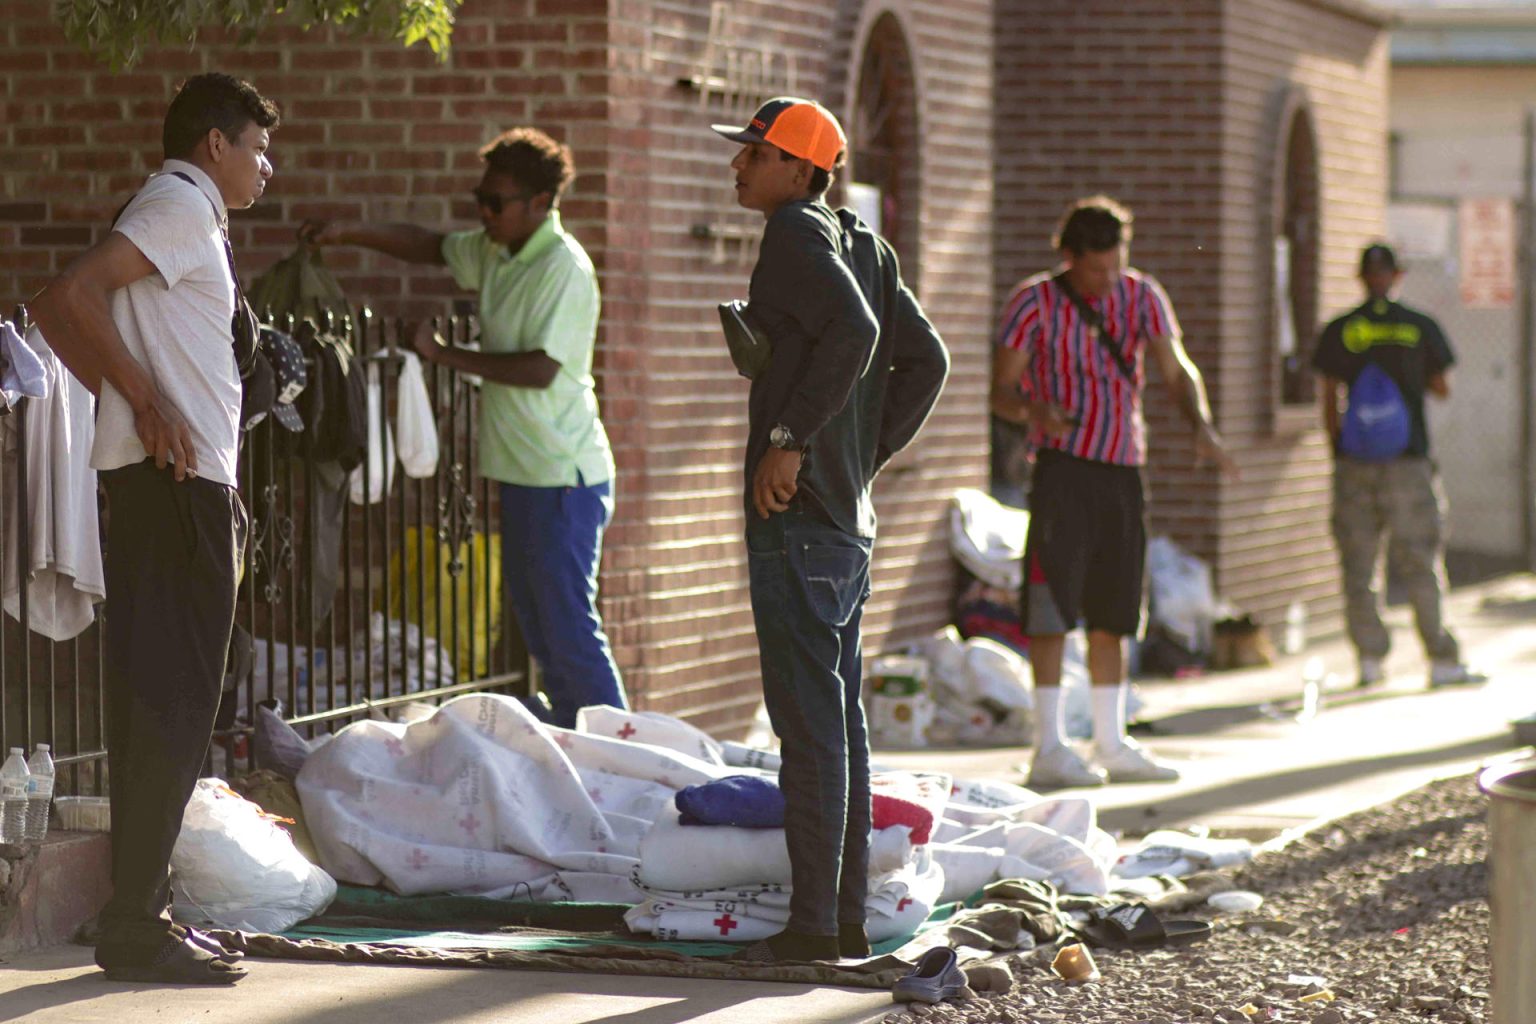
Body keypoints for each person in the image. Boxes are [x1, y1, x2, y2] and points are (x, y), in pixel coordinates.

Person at [29, 72, 278, 984]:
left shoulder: (185, 215)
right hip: (178, 498)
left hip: (168, 492)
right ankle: (136, 921)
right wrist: (145, 405)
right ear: (214, 143)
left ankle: (140, 910)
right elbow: (66, 297)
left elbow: (68, 308)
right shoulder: (178, 203)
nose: (266, 166)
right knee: (173, 708)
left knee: (159, 705)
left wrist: (143, 411)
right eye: (255, 146)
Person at [712, 97, 950, 962]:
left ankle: (812, 927)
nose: (739, 165)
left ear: (803, 170)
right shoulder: (870, 246)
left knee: (810, 729)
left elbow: (853, 330)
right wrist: (862, 459)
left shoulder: (796, 235)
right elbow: (926, 360)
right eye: (742, 150)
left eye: (757, 153)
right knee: (839, 725)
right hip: (844, 522)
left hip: (800, 519)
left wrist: (792, 443)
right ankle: (842, 919)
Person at [301, 127, 626, 729]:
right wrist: (348, 232)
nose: (483, 212)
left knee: (568, 627)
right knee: (537, 624)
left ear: (539, 204)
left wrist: (442, 353)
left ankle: (621, 748)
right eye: (481, 198)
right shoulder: (497, 250)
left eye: (496, 203)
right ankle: (583, 744)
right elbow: (429, 247)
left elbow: (539, 368)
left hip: (563, 473)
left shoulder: (563, 267)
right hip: (521, 471)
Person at [990, 196, 1237, 790]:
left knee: (1116, 609)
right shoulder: (1034, 302)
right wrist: (1033, 411)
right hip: (1061, 469)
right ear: (1069, 258)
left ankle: (1111, 741)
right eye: (1095, 270)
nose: (1106, 281)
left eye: (1115, 266)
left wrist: (1200, 426)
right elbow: (999, 389)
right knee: (1051, 608)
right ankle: (1048, 746)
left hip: (1123, 469)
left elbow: (1177, 370)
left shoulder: (1142, 295)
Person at [1313, 243, 1482, 689]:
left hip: (1354, 466)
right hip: (1408, 462)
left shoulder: (1341, 329)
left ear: (1361, 277)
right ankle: (1441, 660)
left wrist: (1339, 451)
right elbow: (1442, 387)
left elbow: (1328, 401)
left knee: (1359, 565)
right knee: (1421, 561)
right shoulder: (1419, 326)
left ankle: (1370, 660)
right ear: (1397, 275)